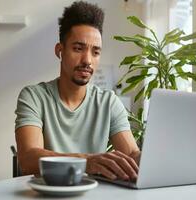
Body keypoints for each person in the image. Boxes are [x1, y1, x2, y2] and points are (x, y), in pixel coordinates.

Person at [15, 1, 140, 181]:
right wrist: (87, 161)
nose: (87, 60)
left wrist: (156, 159)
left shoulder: (108, 102)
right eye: (78, 48)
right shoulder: (34, 97)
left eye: (95, 52)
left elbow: (132, 154)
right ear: (60, 51)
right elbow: (28, 159)